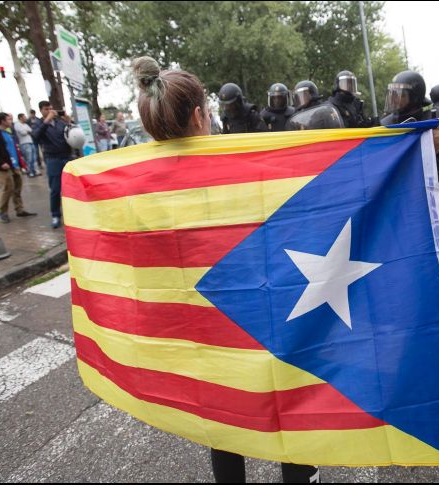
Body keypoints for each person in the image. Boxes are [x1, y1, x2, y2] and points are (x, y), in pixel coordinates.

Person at [131, 55, 320, 484]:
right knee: (287, 404)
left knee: (222, 416)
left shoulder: (134, 183)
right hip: (258, 314)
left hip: (197, 329)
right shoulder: (238, 167)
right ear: (200, 116)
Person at [0, 112, 37, 223]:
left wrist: (21, 163)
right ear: (2, 121)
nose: (10, 121)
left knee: (17, 187)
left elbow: (14, 149)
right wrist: (0, 163)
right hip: (3, 166)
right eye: (8, 119)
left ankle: (19, 209)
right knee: (8, 188)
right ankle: (2, 211)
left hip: (14, 165)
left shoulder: (8, 133)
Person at [33, 101, 73, 229]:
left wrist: (69, 122)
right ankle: (56, 215)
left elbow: (73, 135)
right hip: (53, 159)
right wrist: (46, 121)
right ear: (41, 111)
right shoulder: (39, 123)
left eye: (51, 108)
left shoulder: (60, 122)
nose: (50, 111)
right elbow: (35, 137)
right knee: (55, 189)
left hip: (67, 157)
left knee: (72, 187)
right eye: (46, 109)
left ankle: (73, 214)